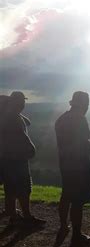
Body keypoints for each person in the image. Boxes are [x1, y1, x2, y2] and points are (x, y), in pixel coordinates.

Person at [55, 91, 90, 247]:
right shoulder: (80, 119)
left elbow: (70, 141)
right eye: (87, 104)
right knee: (78, 201)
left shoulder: (61, 119)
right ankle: (76, 235)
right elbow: (81, 142)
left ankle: (63, 226)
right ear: (84, 104)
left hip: (65, 162)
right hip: (79, 163)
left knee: (66, 195)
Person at [1, 91, 45, 227]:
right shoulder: (13, 118)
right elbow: (22, 136)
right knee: (24, 188)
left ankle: (13, 214)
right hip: (17, 158)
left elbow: (27, 123)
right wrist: (31, 148)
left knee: (10, 186)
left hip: (6, 157)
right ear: (16, 102)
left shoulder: (9, 115)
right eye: (21, 102)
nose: (23, 104)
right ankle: (26, 216)